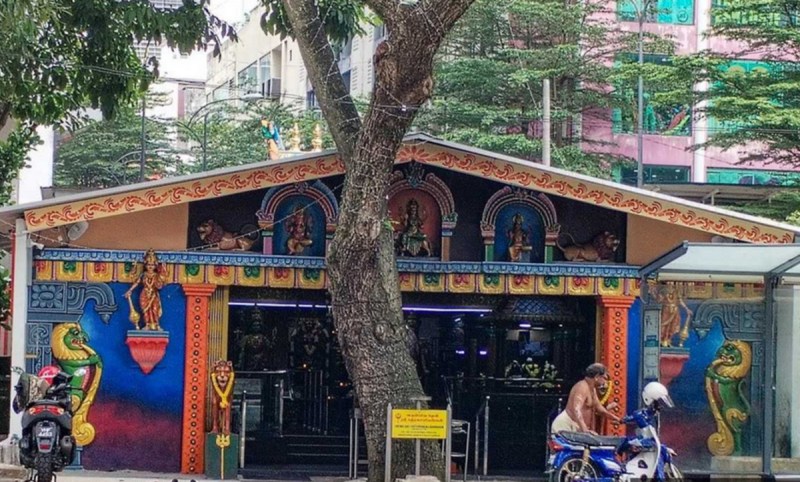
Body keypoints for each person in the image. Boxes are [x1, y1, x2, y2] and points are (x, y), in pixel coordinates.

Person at [551, 363, 621, 434]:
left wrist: (617, 419)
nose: (605, 382)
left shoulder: (592, 389)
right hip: (565, 426)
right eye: (604, 378)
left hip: (576, 428)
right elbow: (576, 410)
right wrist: (584, 429)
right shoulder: (582, 387)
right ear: (597, 377)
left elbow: (600, 409)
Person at [124, 249, 167, 331]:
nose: (150, 267)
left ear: (155, 266)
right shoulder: (144, 275)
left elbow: (160, 285)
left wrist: (162, 275)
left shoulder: (156, 275)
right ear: (145, 265)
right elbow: (137, 282)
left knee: (154, 309)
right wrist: (130, 290)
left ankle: (156, 324)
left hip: (153, 294)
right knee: (145, 310)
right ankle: (147, 324)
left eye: (152, 265)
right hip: (145, 294)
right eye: (148, 265)